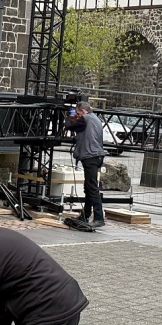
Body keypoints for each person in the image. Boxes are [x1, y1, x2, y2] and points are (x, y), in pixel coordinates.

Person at [67, 96, 107, 231]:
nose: (77, 116)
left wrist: (71, 115)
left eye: (78, 113)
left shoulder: (86, 118)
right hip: (96, 156)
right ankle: (86, 214)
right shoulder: (95, 119)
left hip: (90, 156)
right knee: (89, 187)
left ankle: (99, 218)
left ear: (83, 111)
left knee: (92, 188)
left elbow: (70, 125)